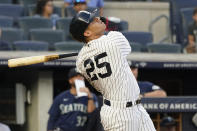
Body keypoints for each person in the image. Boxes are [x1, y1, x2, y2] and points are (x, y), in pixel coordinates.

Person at [70, 10, 156, 131]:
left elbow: (92, 51)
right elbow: (117, 32)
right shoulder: (113, 39)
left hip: (133, 109)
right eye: (93, 20)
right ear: (87, 32)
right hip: (120, 113)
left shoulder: (80, 62)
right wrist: (105, 24)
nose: (98, 19)